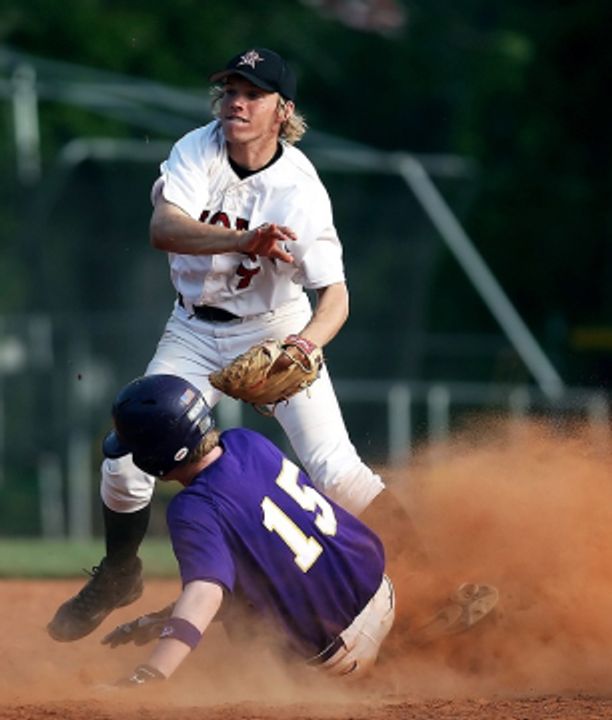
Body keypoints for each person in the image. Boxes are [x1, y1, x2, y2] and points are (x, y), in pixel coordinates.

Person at [47, 47, 414, 643]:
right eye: (228, 90)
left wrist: (303, 347)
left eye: (253, 93)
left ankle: (436, 572)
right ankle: (119, 572)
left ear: (282, 110)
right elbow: (163, 229)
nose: (236, 102)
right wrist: (246, 241)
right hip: (191, 331)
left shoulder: (301, 190)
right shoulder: (198, 148)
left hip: (274, 327)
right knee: (124, 461)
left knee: (335, 471)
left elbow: (337, 298)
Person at [96, 374, 396, 683]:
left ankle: (354, 672)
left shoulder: (192, 507)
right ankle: (404, 644)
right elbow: (263, 562)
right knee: (248, 575)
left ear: (154, 457)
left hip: (339, 655)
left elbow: (205, 593)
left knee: (244, 630)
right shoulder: (246, 441)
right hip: (383, 592)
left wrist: (152, 673)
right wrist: (165, 619)